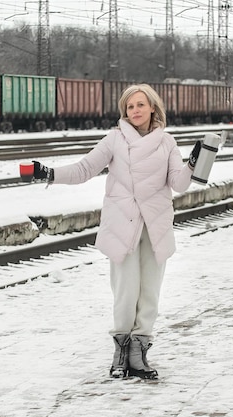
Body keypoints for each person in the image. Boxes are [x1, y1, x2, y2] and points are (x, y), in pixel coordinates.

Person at [31, 84, 202, 380]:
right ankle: (121, 353)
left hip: (155, 226)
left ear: (152, 107)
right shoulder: (115, 139)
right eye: (129, 107)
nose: (134, 111)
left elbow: (179, 182)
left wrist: (193, 163)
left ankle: (139, 353)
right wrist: (51, 174)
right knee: (125, 291)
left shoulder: (166, 142)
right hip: (123, 224)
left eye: (139, 105)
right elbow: (85, 169)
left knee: (149, 292)